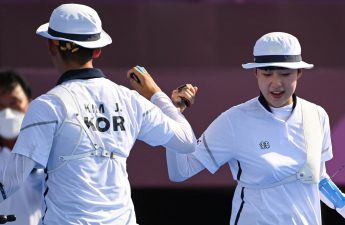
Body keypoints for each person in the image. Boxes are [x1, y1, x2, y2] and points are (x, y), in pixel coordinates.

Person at [0, 3, 197, 225]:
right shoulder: (130, 100)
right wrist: (157, 95)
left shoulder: (48, 105)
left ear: (51, 46)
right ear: (97, 50)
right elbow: (186, 141)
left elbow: (12, 179)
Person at [146, 32, 345, 225]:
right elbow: (180, 172)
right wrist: (173, 115)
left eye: (285, 73)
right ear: (255, 73)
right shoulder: (234, 120)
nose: (276, 83)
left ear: (299, 73)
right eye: (267, 73)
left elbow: (318, 178)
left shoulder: (317, 115)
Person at [0, 70, 43, 225]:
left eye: (14, 103)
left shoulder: (49, 150)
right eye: (0, 106)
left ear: (29, 104)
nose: (7, 114)